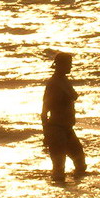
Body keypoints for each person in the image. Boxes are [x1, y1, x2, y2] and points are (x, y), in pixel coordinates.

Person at [41, 52, 86, 182]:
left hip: (67, 129)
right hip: (56, 130)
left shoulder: (64, 80)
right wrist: (46, 134)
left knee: (80, 163)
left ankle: (77, 192)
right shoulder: (53, 83)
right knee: (59, 169)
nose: (71, 67)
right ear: (60, 65)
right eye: (69, 64)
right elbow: (44, 111)